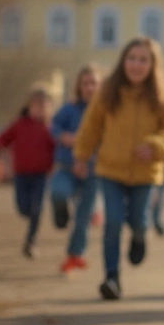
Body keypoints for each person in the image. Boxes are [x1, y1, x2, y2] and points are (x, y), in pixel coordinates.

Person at [74, 37, 164, 301]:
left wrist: (157, 145)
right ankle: (111, 278)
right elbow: (91, 127)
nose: (136, 65)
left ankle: (140, 236)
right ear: (123, 61)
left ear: (152, 65)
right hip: (110, 170)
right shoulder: (107, 93)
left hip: (146, 173)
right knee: (112, 222)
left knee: (139, 221)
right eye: (132, 58)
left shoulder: (162, 96)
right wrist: (81, 156)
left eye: (143, 60)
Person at [50, 66, 102, 274]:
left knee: (83, 216)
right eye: (85, 83)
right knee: (58, 192)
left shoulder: (105, 112)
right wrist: (64, 137)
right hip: (67, 166)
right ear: (79, 87)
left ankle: (75, 254)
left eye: (93, 83)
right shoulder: (69, 109)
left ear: (100, 87)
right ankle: (60, 215)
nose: (89, 87)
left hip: (93, 171)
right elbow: (53, 127)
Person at [0, 89, 56, 258]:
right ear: (29, 106)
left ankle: (31, 242)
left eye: (45, 106)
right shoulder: (19, 125)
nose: (41, 109)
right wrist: (0, 152)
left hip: (41, 176)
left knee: (37, 209)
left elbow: (58, 150)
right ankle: (31, 216)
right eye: (37, 105)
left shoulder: (51, 129)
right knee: (23, 208)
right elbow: (2, 139)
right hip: (21, 175)